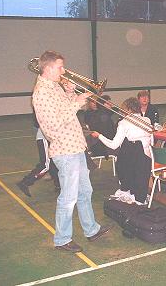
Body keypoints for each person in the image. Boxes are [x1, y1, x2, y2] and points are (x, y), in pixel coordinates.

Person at [32, 50, 109, 253]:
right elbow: (55, 125)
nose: (64, 71)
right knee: (68, 197)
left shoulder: (55, 87)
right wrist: (75, 102)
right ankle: (62, 239)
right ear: (48, 69)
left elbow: (69, 110)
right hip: (65, 150)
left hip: (76, 146)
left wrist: (70, 93)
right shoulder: (42, 93)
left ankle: (91, 229)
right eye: (60, 67)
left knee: (85, 191)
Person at [91, 97, 153, 205]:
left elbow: (114, 145)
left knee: (122, 160)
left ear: (128, 109)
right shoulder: (147, 120)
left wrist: (99, 136)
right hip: (147, 158)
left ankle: (127, 189)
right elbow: (151, 140)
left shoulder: (124, 123)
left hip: (136, 159)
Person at [16, 111, 60, 197]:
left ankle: (58, 185)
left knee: (52, 163)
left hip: (48, 138)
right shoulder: (45, 109)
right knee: (46, 165)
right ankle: (26, 182)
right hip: (44, 138)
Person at [84, 95, 116, 159]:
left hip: (107, 139)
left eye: (97, 102)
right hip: (96, 140)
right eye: (93, 101)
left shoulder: (105, 112)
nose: (95, 104)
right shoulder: (87, 114)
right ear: (89, 103)